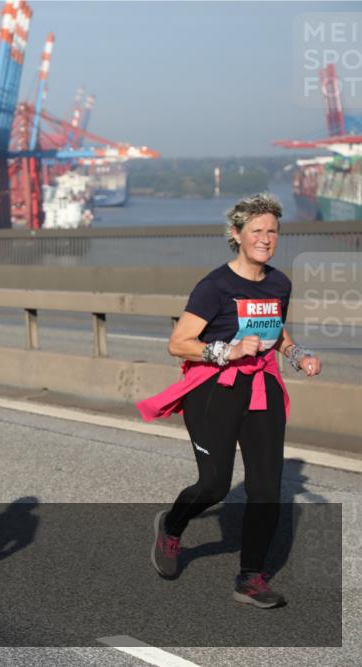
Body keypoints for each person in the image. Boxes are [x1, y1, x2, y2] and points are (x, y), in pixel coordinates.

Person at [137, 193, 322, 609]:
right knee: (215, 483)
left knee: (267, 489)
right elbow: (178, 344)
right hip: (213, 391)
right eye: (256, 230)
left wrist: (296, 356)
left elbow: (276, 331)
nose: (266, 238)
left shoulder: (279, 283)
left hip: (262, 389)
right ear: (236, 235)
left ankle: (250, 577)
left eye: (273, 230)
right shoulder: (214, 286)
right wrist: (228, 351)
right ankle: (171, 525)